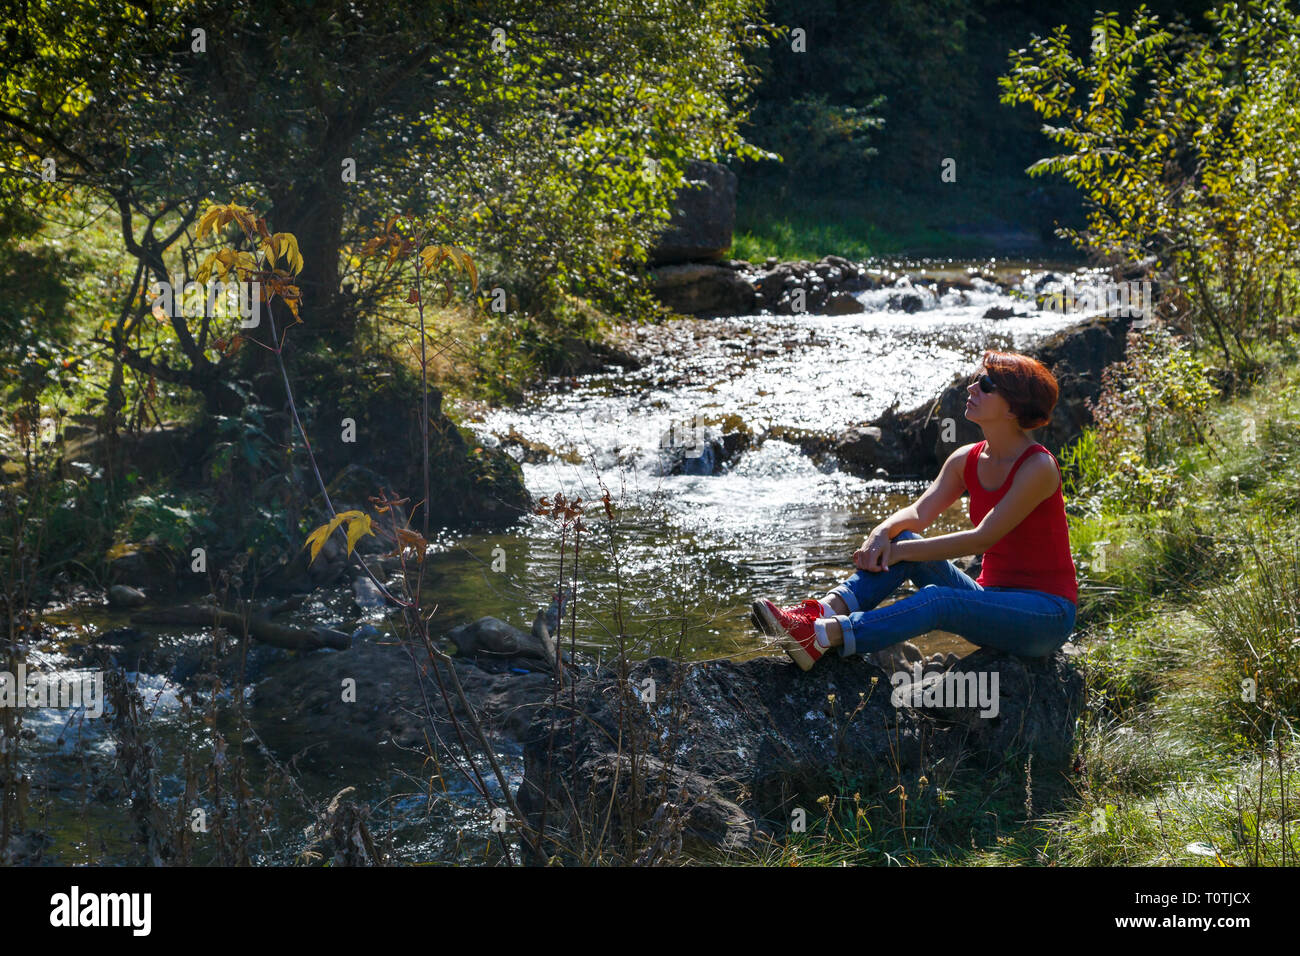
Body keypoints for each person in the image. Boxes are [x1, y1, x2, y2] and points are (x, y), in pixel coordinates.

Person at [752, 349, 1078, 670]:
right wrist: (881, 534)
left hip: (1046, 616)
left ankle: (826, 636)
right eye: (975, 379)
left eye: (986, 384)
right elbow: (919, 513)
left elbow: (981, 539)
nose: (971, 388)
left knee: (935, 595)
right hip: (989, 601)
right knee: (903, 536)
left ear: (1013, 408)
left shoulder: (1038, 466)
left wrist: (901, 551)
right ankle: (818, 614)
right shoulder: (966, 458)